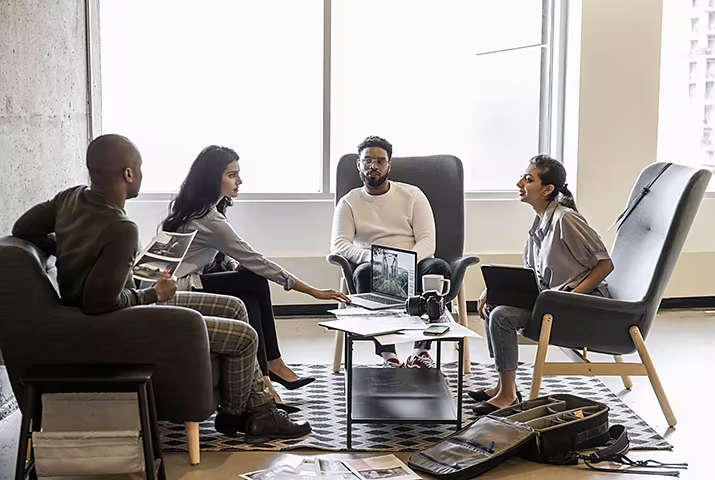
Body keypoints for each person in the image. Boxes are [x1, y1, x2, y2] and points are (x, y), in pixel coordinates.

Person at [11, 134, 311, 440]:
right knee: (245, 337)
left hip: (116, 311)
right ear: (128, 174)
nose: (142, 174)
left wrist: (67, 247)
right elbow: (99, 303)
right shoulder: (121, 228)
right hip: (123, 322)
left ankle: (256, 406)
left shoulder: (69, 198)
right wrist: (155, 293)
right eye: (139, 167)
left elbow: (22, 228)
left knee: (236, 306)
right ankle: (245, 416)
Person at [161, 145, 350, 409]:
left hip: (189, 281)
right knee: (256, 278)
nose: (239, 181)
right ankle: (272, 366)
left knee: (250, 294)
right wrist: (314, 292)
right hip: (179, 291)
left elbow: (210, 255)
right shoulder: (208, 219)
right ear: (212, 178)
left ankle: (267, 376)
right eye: (232, 175)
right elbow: (257, 261)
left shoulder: (198, 211)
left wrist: (232, 265)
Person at [469, 154, 614, 415]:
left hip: (577, 306)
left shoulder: (566, 219)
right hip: (549, 300)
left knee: (502, 316)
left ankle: (508, 396)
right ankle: (505, 385)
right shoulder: (541, 221)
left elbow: (604, 265)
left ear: (547, 189)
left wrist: (571, 298)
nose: (519, 183)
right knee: (494, 305)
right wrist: (492, 289)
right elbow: (532, 275)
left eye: (528, 179)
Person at [330, 135, 452, 369]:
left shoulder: (412, 195)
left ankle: (420, 352)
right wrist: (376, 259)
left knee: (439, 268)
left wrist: (407, 263)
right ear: (359, 164)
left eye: (379, 161)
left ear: (389, 165)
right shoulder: (349, 202)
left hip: (416, 262)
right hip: (375, 264)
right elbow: (339, 245)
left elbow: (427, 241)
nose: (373, 166)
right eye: (367, 161)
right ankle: (389, 356)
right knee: (364, 272)